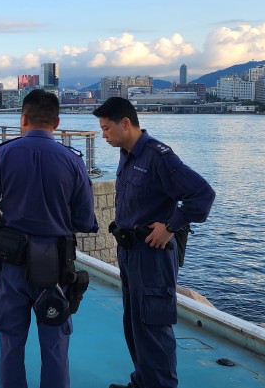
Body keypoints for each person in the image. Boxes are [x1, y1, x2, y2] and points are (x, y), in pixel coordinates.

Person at [92, 97, 216, 388]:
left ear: (126, 123)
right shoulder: (127, 153)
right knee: (134, 325)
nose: (103, 135)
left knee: (153, 326)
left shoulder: (159, 156)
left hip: (152, 254)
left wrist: (171, 226)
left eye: (107, 128)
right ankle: (142, 383)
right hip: (130, 251)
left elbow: (203, 195)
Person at [0, 89, 98, 388]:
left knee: (10, 342)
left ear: (23, 119)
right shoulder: (73, 161)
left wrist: (6, 221)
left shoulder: (3, 154)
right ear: (56, 123)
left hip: (11, 262)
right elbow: (85, 221)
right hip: (56, 265)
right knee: (55, 345)